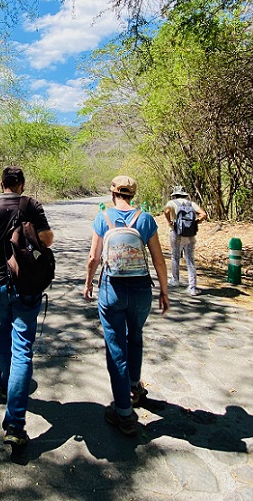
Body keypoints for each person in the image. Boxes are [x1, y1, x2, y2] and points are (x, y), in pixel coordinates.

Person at [85, 175, 169, 436]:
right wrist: (164, 291)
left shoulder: (103, 218)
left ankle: (123, 412)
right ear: (133, 194)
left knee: (115, 347)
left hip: (112, 289)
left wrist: (88, 283)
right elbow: (158, 260)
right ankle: (134, 387)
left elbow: (93, 258)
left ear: (112, 192)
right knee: (136, 337)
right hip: (141, 289)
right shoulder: (145, 219)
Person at [0, 165, 54, 448]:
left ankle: (4, 383)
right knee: (22, 348)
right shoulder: (31, 204)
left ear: (3, 184)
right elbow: (47, 240)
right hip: (26, 286)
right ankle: (15, 424)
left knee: (1, 335)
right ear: (21, 183)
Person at [163, 185, 208, 295]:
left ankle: (175, 280)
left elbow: (166, 211)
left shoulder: (171, 203)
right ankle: (192, 287)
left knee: (175, 256)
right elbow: (203, 214)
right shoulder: (191, 204)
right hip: (190, 235)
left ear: (175, 195)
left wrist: (169, 222)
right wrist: (195, 222)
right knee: (190, 259)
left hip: (176, 233)